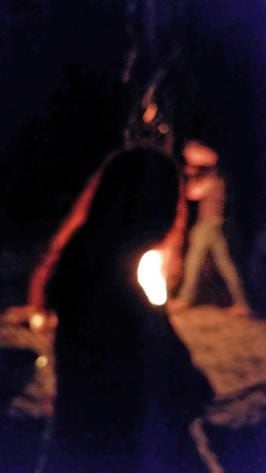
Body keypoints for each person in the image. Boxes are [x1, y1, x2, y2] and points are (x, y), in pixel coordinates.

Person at [46, 146, 213, 473]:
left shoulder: (84, 261)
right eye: (169, 202)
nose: (173, 217)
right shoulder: (111, 287)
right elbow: (164, 384)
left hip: (83, 443)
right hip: (126, 450)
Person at [174, 140, 252, 316]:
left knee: (193, 261)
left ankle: (185, 299)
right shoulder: (217, 179)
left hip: (208, 224)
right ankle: (242, 303)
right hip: (214, 224)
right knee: (225, 265)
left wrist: (190, 176)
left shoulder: (213, 180)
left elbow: (191, 193)